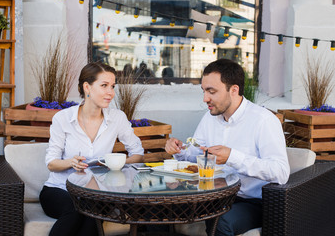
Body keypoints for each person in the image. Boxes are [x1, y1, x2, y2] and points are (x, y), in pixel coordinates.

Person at [165, 59, 290, 236]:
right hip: (214, 196)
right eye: (204, 91)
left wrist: (233, 157)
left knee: (220, 221)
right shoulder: (210, 117)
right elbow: (195, 154)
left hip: (253, 202)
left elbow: (281, 172)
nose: (205, 98)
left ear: (234, 90)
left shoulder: (263, 120)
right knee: (164, 208)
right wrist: (179, 150)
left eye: (211, 91)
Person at [40, 62, 144, 236]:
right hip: (59, 189)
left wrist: (114, 163)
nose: (110, 92)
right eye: (104, 86)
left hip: (98, 194)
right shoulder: (63, 118)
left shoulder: (117, 118)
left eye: (112, 86)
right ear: (87, 87)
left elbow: (138, 155)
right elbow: (51, 163)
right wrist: (70, 162)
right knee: (77, 211)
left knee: (92, 214)